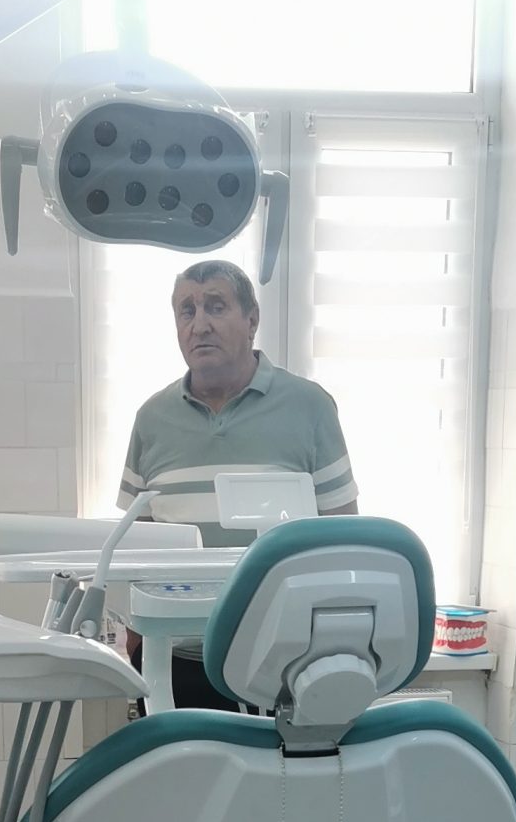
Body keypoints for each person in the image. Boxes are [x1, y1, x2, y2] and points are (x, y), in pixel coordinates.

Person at [118, 259, 357, 707]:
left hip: (283, 666)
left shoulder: (309, 407)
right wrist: (136, 643)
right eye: (187, 310)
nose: (200, 325)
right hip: (175, 663)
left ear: (252, 320)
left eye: (216, 306)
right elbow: (133, 548)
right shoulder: (151, 419)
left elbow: (343, 542)